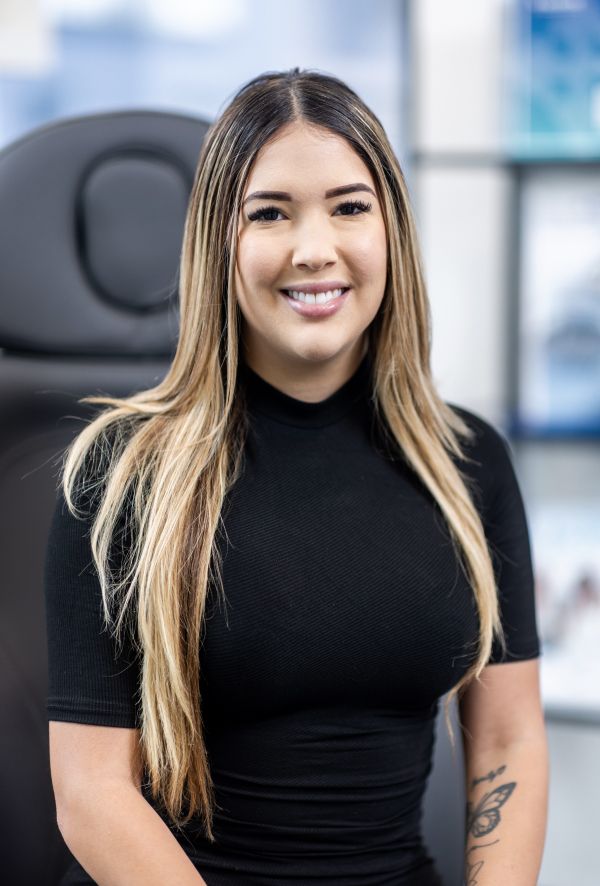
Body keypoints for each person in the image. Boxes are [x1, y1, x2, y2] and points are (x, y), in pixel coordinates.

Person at [44, 68, 549, 886]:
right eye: (270, 213)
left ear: (391, 229)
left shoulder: (468, 462)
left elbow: (508, 738)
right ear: (221, 242)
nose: (315, 249)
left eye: (350, 207)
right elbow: (90, 790)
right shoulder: (118, 473)